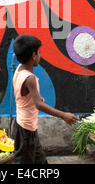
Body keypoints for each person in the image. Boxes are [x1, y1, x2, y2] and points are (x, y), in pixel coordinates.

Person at [11, 34, 78, 164]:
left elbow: (25, 94)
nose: (40, 56)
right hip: (26, 130)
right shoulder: (30, 79)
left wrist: (35, 98)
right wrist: (63, 115)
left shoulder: (19, 69)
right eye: (39, 52)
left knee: (40, 161)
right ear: (33, 56)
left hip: (25, 126)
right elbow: (38, 105)